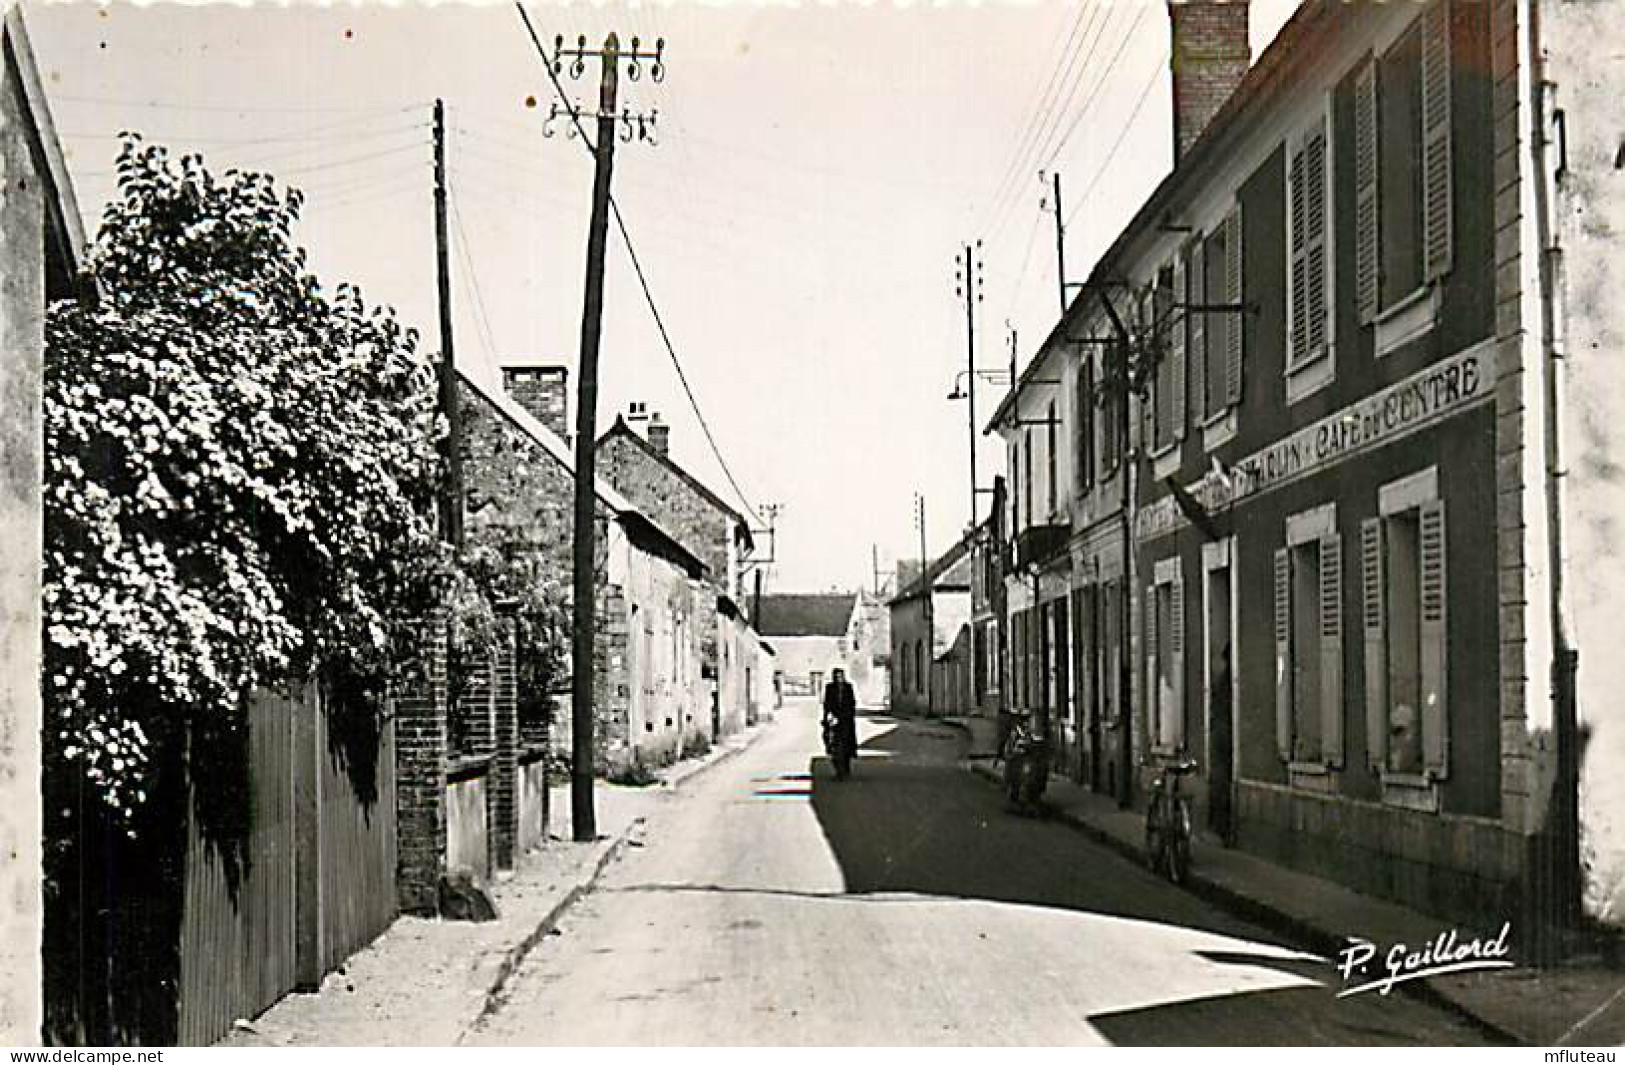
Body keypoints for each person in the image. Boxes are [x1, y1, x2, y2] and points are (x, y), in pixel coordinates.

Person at [822, 667, 858, 780]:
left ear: (843, 677)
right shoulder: (830, 687)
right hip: (834, 721)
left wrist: (848, 716)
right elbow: (827, 704)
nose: (838, 679)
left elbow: (852, 702)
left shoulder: (848, 687)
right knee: (834, 746)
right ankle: (838, 771)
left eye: (840, 676)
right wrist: (827, 717)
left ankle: (846, 768)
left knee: (847, 746)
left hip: (846, 721)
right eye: (836, 677)